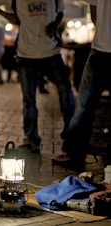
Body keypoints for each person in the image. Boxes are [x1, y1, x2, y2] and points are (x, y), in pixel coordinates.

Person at [0, 0, 75, 151]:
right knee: (29, 100)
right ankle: (31, 140)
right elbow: (11, 15)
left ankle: (70, 137)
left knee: (66, 92)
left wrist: (55, 25)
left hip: (51, 52)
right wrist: (1, 12)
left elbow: (60, 12)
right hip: (26, 54)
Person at [55, 0, 111, 171]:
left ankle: (75, 154)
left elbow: (94, 13)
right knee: (84, 107)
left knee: (84, 107)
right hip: (99, 50)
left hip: (100, 49)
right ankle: (75, 154)